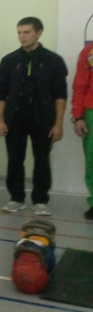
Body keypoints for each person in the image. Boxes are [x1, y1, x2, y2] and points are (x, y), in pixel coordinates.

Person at [0, 17, 68, 216]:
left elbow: (60, 95)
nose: (22, 36)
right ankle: (16, 198)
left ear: (39, 33)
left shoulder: (53, 61)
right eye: (19, 32)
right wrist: (0, 120)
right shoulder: (9, 60)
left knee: (42, 159)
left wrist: (58, 123)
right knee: (15, 159)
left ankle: (40, 200)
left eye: (26, 32)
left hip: (43, 118)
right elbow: (0, 94)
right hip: (15, 118)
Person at [72, 39, 93, 220]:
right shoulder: (89, 52)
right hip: (91, 112)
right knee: (92, 161)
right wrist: (78, 117)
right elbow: (80, 86)